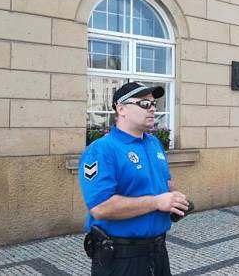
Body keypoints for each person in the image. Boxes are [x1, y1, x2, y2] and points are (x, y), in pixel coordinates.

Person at [78, 81, 191, 276]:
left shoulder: (153, 142)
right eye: (144, 104)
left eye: (154, 104)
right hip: (121, 258)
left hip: (158, 251)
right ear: (121, 109)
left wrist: (175, 196)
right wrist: (157, 202)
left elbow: (164, 181)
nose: (153, 109)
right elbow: (100, 207)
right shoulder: (101, 150)